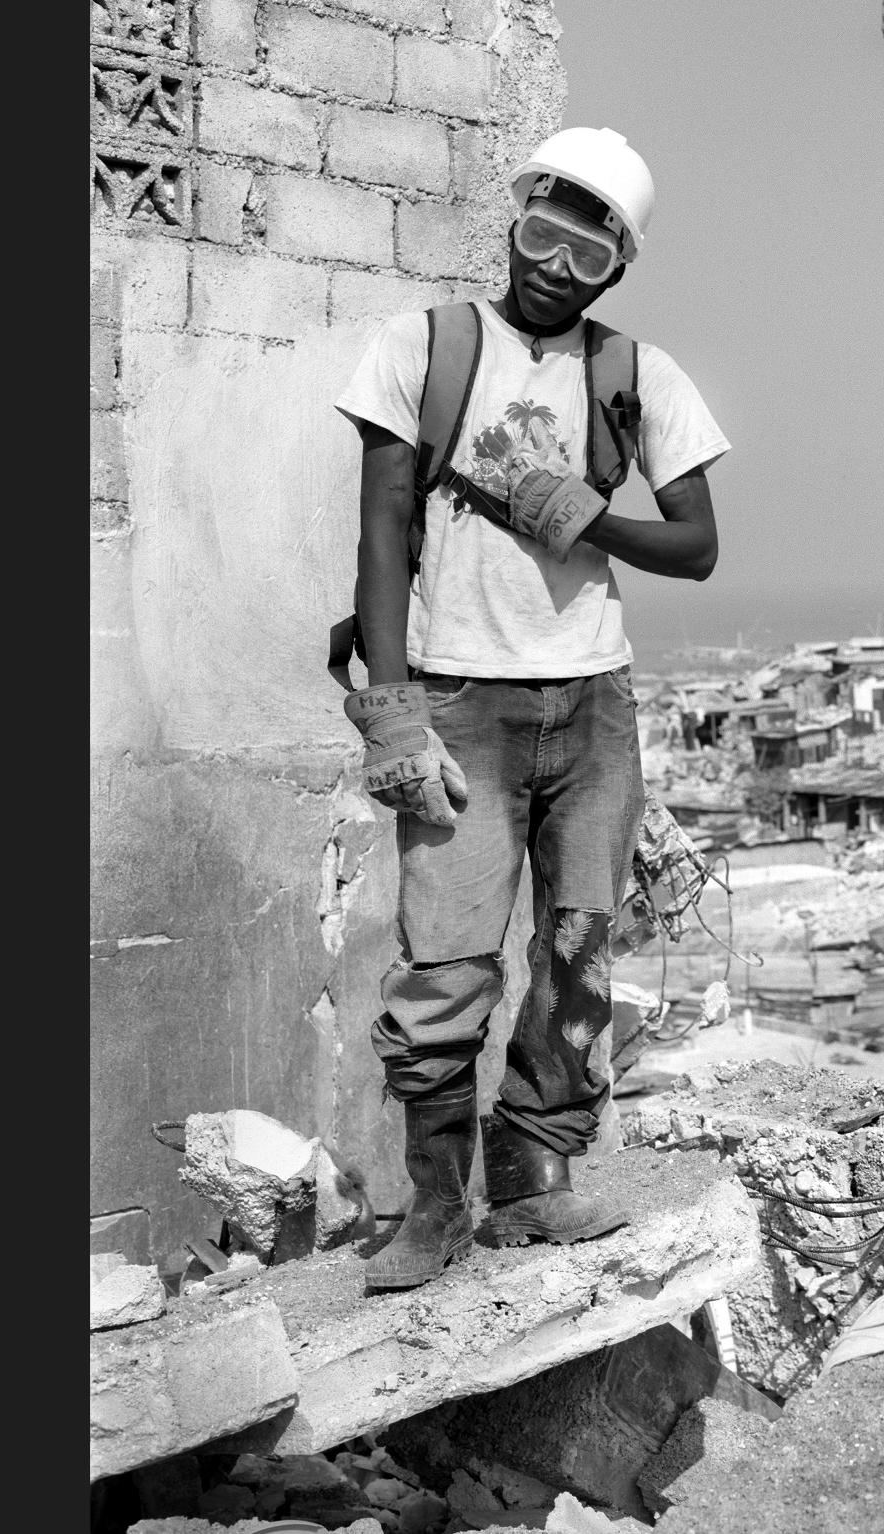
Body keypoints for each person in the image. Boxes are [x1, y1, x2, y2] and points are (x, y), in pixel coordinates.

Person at [331, 128, 728, 1290]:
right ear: (514, 220)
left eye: (588, 249)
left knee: (576, 954)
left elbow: (698, 545)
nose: (556, 264)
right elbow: (381, 528)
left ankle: (534, 1184)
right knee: (446, 962)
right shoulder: (425, 347)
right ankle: (435, 1205)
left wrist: (585, 515)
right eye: (541, 231)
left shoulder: (637, 377)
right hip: (462, 703)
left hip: (594, 709)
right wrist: (393, 712)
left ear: (618, 264)